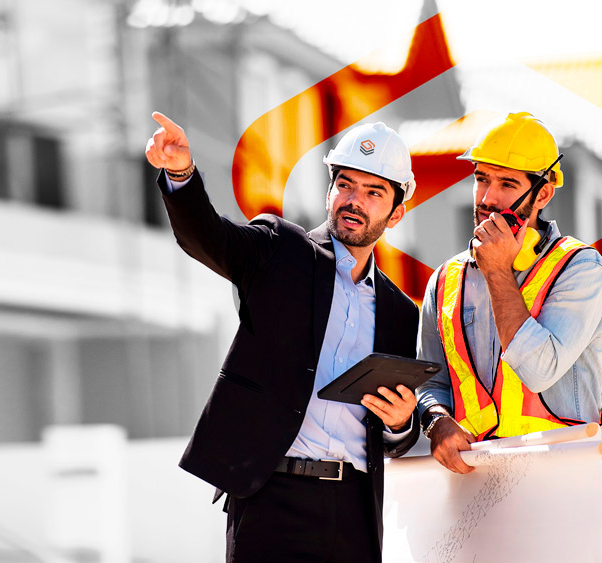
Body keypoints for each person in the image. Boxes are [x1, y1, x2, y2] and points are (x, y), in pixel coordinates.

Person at [144, 112, 421, 562]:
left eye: (374, 193)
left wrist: (399, 423)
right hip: (271, 497)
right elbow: (207, 237)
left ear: (397, 211)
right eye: (346, 185)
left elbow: (395, 438)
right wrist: (180, 173)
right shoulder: (279, 249)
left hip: (353, 511)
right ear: (330, 191)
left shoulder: (401, 314)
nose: (355, 200)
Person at [416, 112, 602, 474]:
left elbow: (539, 371)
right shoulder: (445, 280)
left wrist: (497, 271)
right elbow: (431, 381)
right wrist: (436, 420)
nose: (488, 198)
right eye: (481, 180)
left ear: (544, 193)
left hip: (560, 483)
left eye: (507, 184)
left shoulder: (580, 269)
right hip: (473, 481)